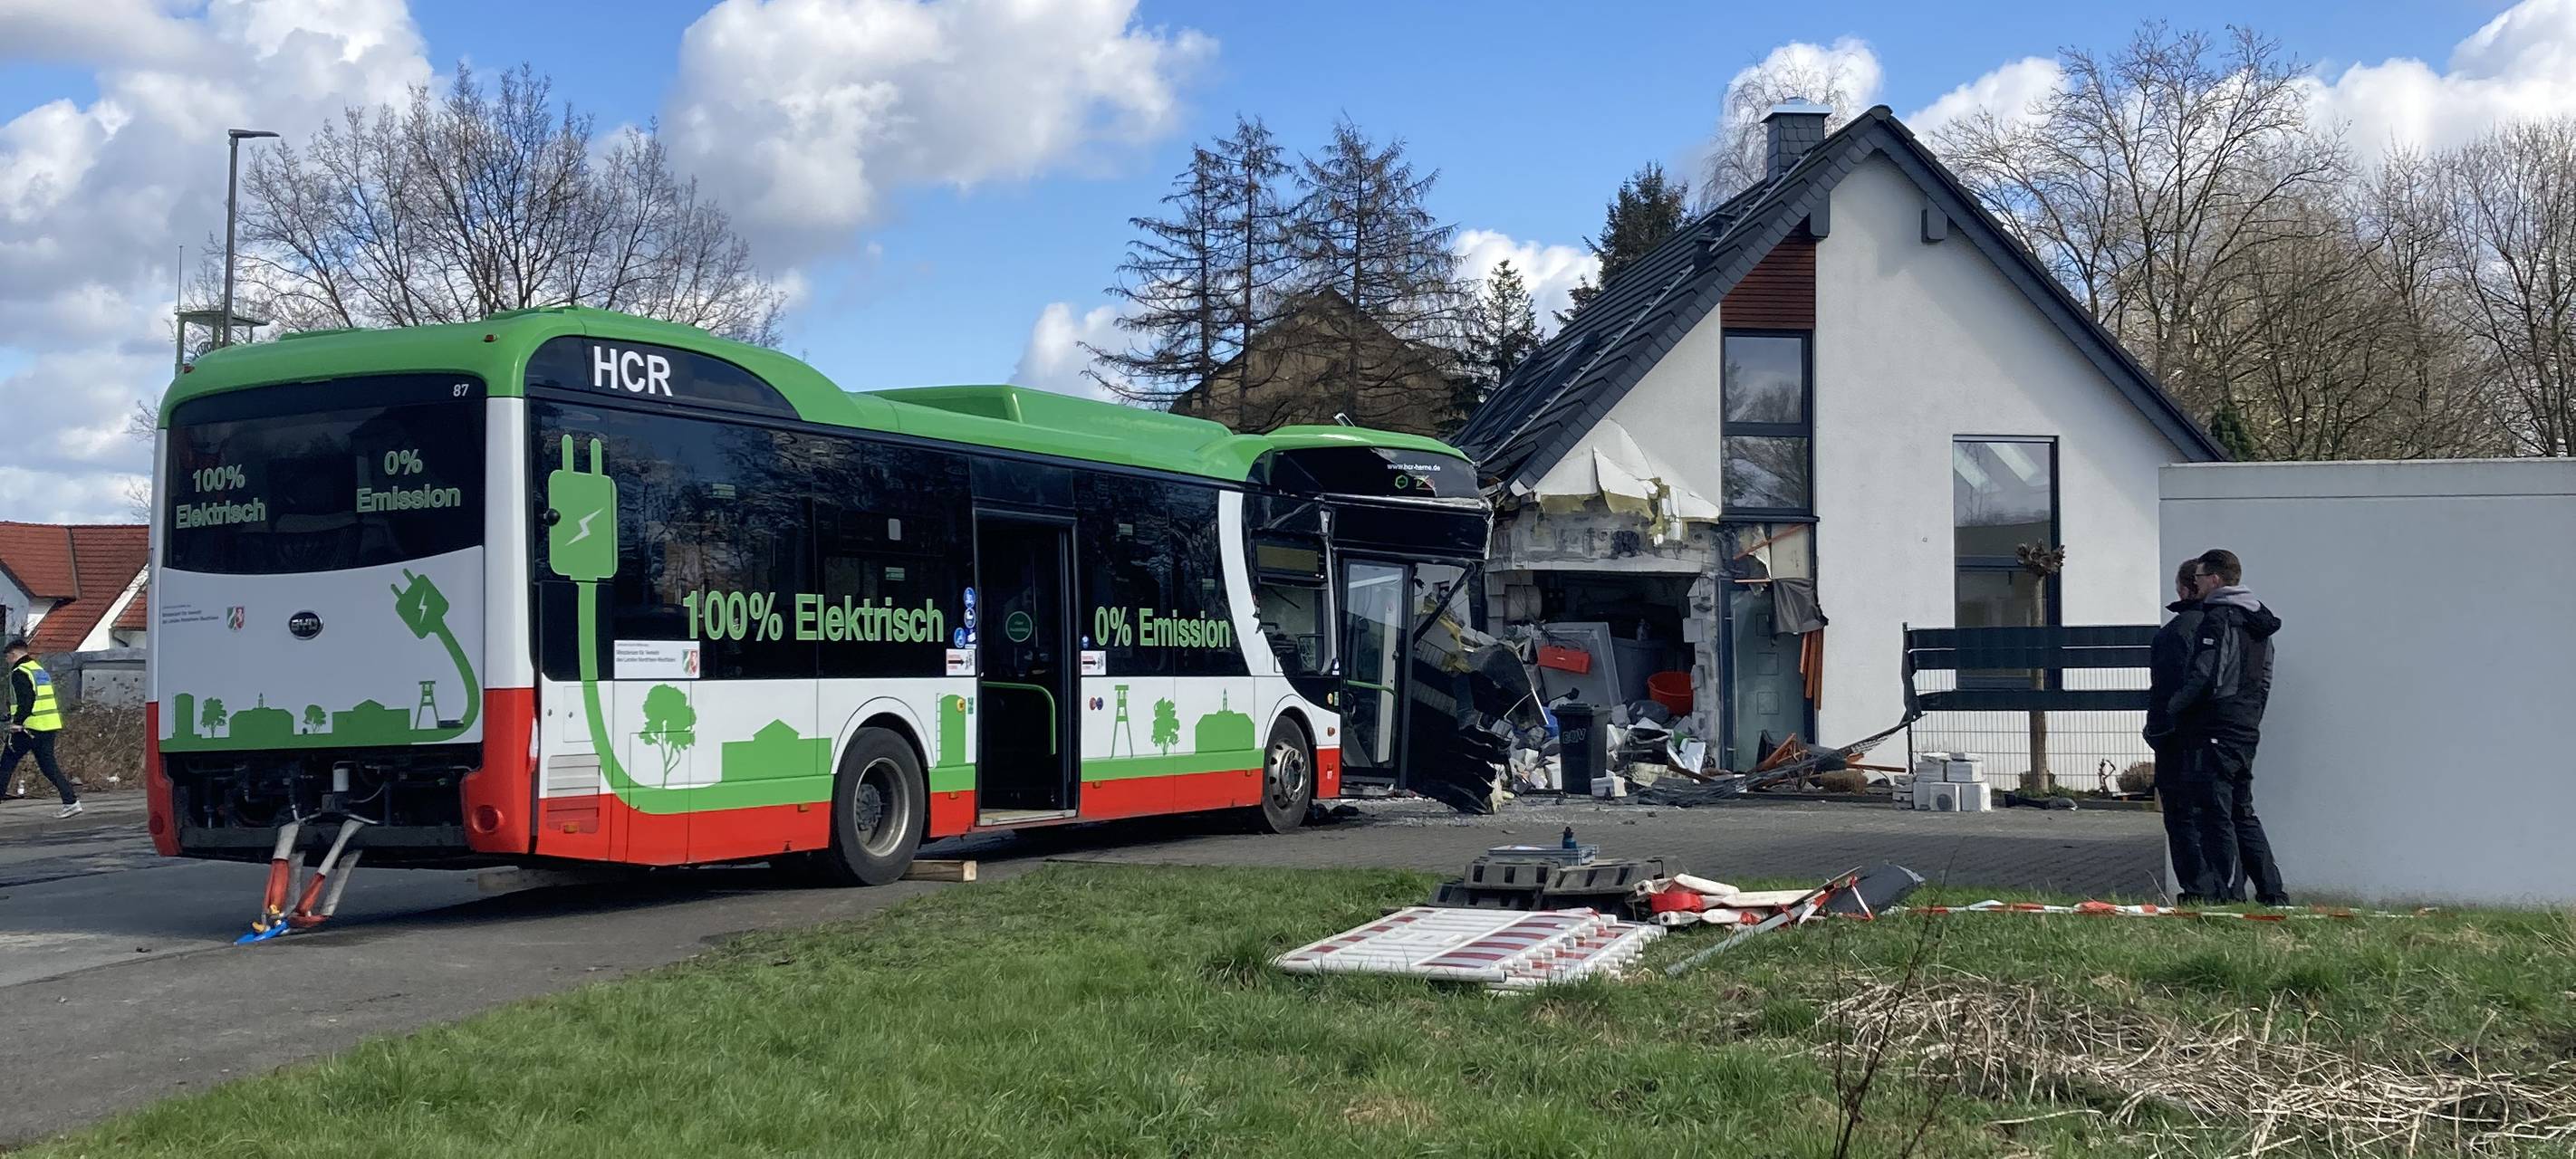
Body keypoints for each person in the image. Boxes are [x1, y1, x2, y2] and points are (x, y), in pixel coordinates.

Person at [2144, 551, 2284, 905]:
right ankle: (2272, 893)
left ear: (2215, 580)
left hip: (2215, 728)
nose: (2199, 582)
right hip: (2245, 727)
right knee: (2242, 811)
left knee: (2217, 815)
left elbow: (2206, 676)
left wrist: (2174, 710)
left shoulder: (2218, 618)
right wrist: (2250, 717)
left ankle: (2228, 896)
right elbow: (2265, 680)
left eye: (2202, 576)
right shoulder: (2258, 621)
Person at [2, 639, 81, 818]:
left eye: (7, 657)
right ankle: (71, 802)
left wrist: (17, 723)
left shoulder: (19, 672)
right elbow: (38, 698)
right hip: (48, 724)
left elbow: (27, 700)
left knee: (6, 763)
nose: (8, 661)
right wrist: (11, 716)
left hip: (29, 727)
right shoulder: (37, 669)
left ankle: (71, 802)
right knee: (48, 766)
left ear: (13, 655)